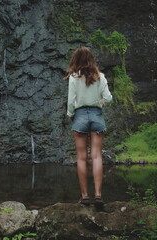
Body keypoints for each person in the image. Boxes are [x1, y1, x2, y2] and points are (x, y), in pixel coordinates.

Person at [65, 46, 112, 207]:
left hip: (80, 116)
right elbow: (108, 97)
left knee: (81, 158)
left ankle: (85, 196)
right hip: (97, 115)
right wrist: (101, 102)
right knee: (97, 156)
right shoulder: (101, 76)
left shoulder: (73, 77)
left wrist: (70, 114)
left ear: (76, 60)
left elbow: (71, 101)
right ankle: (98, 195)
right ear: (91, 59)